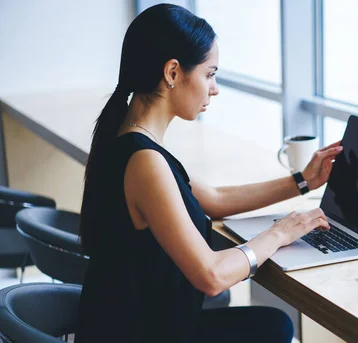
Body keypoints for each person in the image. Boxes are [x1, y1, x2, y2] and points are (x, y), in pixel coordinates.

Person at [74, 4, 342, 343]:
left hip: (135, 326)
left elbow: (214, 200)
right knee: (275, 327)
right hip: (146, 334)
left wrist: (303, 180)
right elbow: (212, 276)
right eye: (210, 74)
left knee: (272, 325)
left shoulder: (128, 138)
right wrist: (279, 233)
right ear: (172, 73)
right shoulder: (145, 161)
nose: (214, 88)